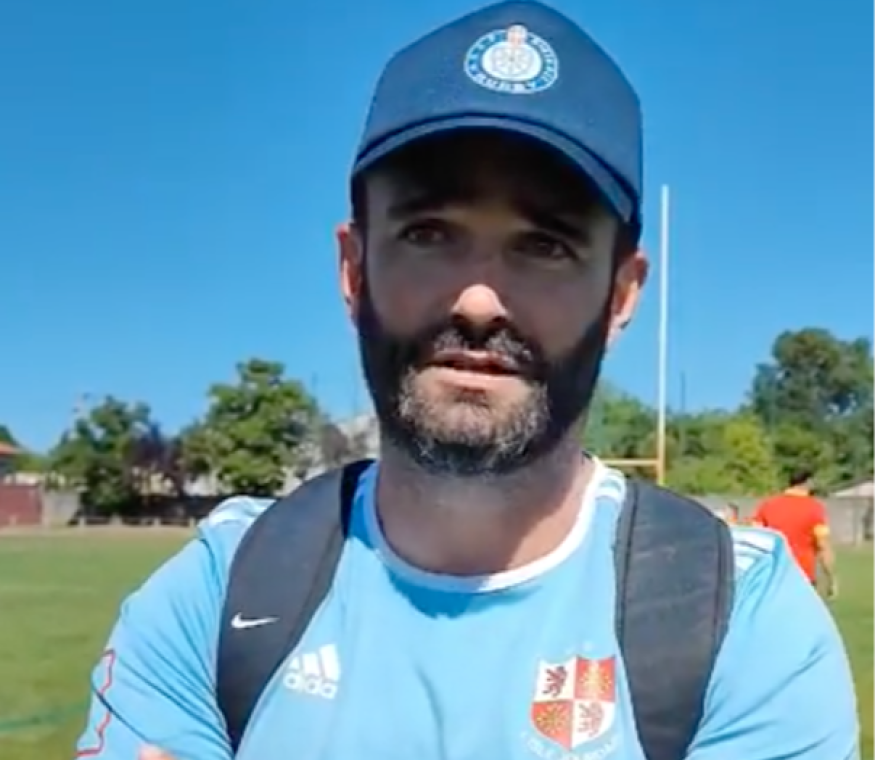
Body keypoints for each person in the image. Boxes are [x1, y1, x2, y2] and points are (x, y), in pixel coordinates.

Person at [76, 2, 859, 759]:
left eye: (544, 245)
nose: (479, 300)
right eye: (428, 234)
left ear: (620, 295)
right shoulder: (214, 598)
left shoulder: (741, 626)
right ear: (354, 269)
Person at [752, 468, 839, 597]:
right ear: (808, 482)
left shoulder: (767, 505)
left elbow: (755, 539)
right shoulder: (814, 508)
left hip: (772, 575)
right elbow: (823, 546)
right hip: (802, 575)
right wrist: (831, 579)